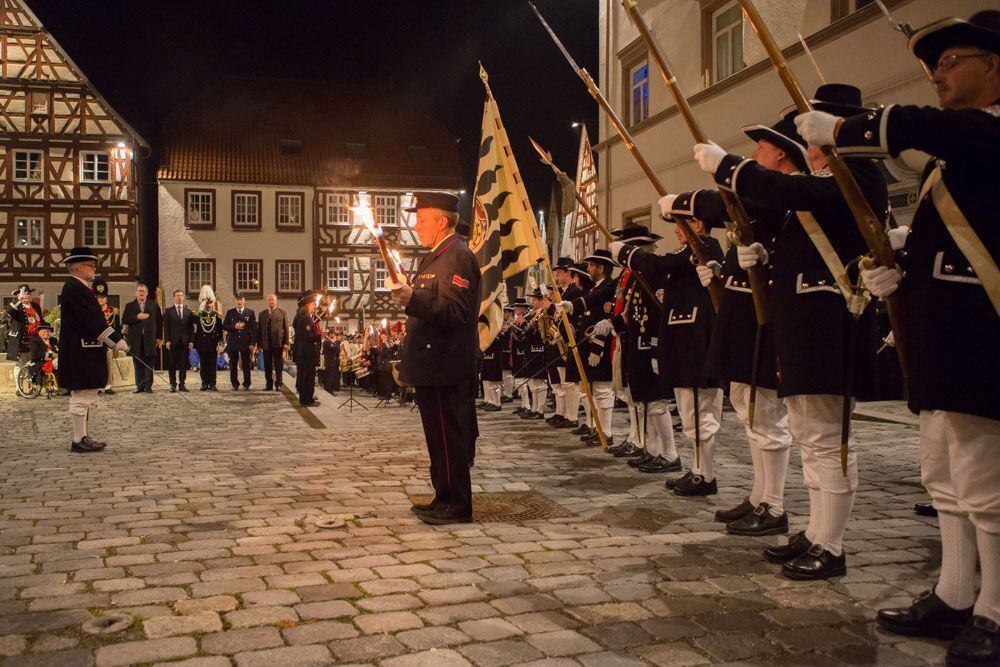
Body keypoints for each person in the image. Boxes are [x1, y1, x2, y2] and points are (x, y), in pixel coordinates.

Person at [795, 10, 1000, 662]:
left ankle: (995, 611)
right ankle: (955, 592)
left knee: (986, 478)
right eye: (934, 65)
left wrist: (845, 130)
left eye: (950, 60)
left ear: (995, 64)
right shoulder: (954, 154)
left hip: (983, 336)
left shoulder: (984, 134)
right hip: (949, 335)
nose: (938, 73)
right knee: (942, 468)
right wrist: (896, 273)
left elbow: (920, 126)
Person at [694, 83, 887, 580]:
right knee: (808, 435)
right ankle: (818, 532)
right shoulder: (827, 179)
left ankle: (833, 544)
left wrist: (728, 167)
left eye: (814, 124)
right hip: (803, 325)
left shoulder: (856, 174)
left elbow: (792, 190)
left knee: (827, 439)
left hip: (828, 323)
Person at [389, 191, 481, 525]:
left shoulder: (457, 256)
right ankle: (443, 496)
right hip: (433, 366)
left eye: (422, 218)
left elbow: (455, 311)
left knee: (449, 438)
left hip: (447, 365)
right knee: (437, 439)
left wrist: (413, 297)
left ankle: (457, 505)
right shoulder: (436, 256)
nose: (416, 225)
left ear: (441, 221)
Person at [603, 225, 682, 474]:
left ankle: (670, 454)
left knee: (657, 403)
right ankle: (653, 449)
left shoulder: (655, 277)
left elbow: (661, 314)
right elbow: (629, 315)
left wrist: (658, 348)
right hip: (637, 345)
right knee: (646, 401)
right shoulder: (637, 278)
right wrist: (609, 324)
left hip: (650, 347)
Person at [56, 247, 127, 452]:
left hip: (85, 349)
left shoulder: (79, 287)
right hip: (81, 351)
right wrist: (116, 340)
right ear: (78, 267)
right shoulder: (75, 288)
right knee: (82, 396)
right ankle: (78, 440)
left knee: (84, 395)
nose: (94, 269)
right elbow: (92, 320)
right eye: (91, 265)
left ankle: (82, 436)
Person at [557, 249, 619, 446]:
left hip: (598, 346)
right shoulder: (597, 288)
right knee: (592, 390)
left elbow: (603, 317)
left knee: (602, 391)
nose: (588, 268)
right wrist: (573, 306)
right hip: (589, 345)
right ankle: (596, 427)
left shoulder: (608, 287)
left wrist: (597, 348)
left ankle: (606, 431)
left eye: (592, 265)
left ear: (601, 268)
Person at [121, 283, 162, 393]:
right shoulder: (129, 305)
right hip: (135, 340)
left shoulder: (154, 305)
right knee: (138, 362)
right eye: (139, 291)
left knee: (149, 362)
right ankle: (139, 386)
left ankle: (148, 386)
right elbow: (124, 320)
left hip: (150, 339)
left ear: (147, 293)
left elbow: (159, 321)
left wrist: (159, 337)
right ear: (136, 293)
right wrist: (137, 317)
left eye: (143, 291)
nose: (141, 293)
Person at [292, 291, 322, 406]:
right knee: (307, 377)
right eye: (313, 304)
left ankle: (308, 398)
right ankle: (306, 400)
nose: (315, 306)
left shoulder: (304, 317)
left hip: (305, 351)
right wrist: (319, 336)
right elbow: (309, 336)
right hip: (307, 352)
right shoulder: (305, 319)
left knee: (307, 376)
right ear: (308, 304)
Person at [223, 292, 257, 391]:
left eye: (241, 299)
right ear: (235, 301)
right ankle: (234, 383)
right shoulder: (230, 312)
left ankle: (246, 383)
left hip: (245, 342)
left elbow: (254, 329)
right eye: (237, 299)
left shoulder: (250, 312)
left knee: (246, 364)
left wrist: (252, 343)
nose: (239, 301)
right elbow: (224, 326)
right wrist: (234, 327)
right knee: (233, 364)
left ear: (244, 301)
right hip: (233, 342)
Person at [92, 280, 122, 395]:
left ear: (107, 298)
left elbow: (117, 329)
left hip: (108, 343)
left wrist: (116, 342)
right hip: (95, 342)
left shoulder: (114, 312)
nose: (101, 299)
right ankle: (98, 385)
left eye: (103, 297)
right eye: (98, 297)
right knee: (96, 364)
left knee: (109, 364)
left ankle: (108, 385)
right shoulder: (92, 311)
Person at [163, 289, 194, 392]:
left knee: (183, 364)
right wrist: (167, 340)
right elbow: (166, 327)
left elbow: (191, 328)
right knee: (172, 364)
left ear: (183, 297)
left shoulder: (188, 312)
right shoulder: (169, 311)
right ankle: (173, 384)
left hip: (184, 342)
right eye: (177, 295)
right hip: (172, 342)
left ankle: (182, 384)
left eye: (181, 295)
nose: (179, 297)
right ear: (174, 297)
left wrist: (191, 341)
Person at [193, 286, 222, 391]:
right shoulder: (199, 315)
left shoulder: (216, 315)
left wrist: (220, 343)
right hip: (202, 343)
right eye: (206, 303)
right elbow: (195, 327)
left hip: (213, 343)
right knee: (204, 363)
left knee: (213, 364)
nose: (208, 305)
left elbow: (219, 330)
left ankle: (213, 383)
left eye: (210, 303)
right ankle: (204, 383)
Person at [258, 293, 289, 391]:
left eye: (273, 300)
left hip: (278, 343)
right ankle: (269, 384)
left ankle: (279, 383)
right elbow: (259, 330)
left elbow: (286, 329)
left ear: (276, 301)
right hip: (266, 344)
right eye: (269, 300)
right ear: (267, 301)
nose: (271, 301)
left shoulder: (282, 312)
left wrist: (286, 343)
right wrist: (259, 344)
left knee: (278, 365)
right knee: (267, 365)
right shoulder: (262, 314)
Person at [6, 285, 43, 363]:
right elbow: (10, 311)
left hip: (35, 340)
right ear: (18, 295)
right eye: (24, 293)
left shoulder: (35, 306)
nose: (27, 295)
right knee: (21, 365)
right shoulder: (17, 305)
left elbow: (41, 320)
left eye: (28, 293)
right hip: (21, 340)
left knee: (34, 365)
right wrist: (20, 300)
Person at [28, 322, 58, 386]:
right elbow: (34, 355)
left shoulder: (53, 340)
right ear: (39, 332)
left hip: (54, 361)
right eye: (44, 331)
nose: (46, 333)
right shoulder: (35, 341)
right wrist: (50, 355)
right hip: (41, 363)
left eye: (48, 331)